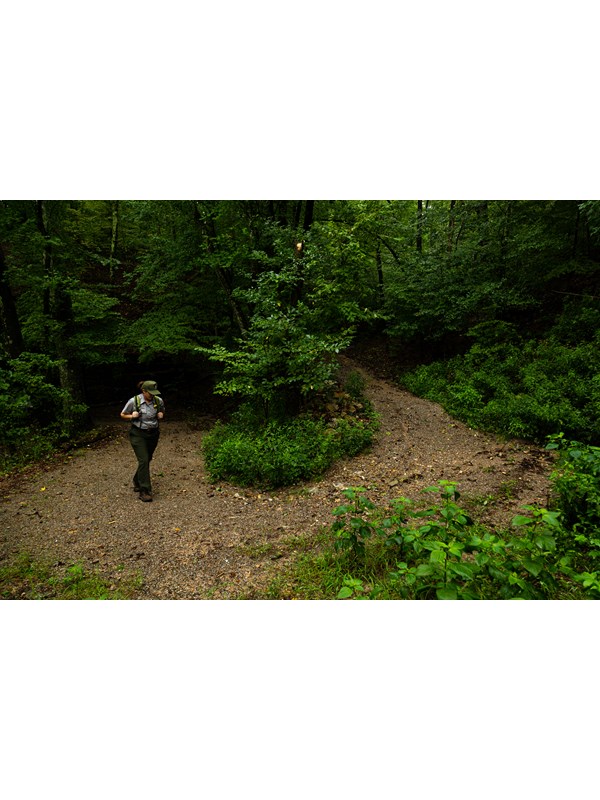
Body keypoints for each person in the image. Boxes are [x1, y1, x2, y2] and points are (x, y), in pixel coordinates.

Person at [120, 380, 165, 502]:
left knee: (147, 459)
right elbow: (122, 414)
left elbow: (162, 410)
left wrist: (161, 414)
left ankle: (137, 480)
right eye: (150, 393)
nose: (152, 395)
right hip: (138, 434)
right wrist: (131, 416)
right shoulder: (134, 401)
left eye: (154, 393)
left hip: (153, 434)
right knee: (144, 459)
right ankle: (144, 490)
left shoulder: (158, 401)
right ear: (143, 391)